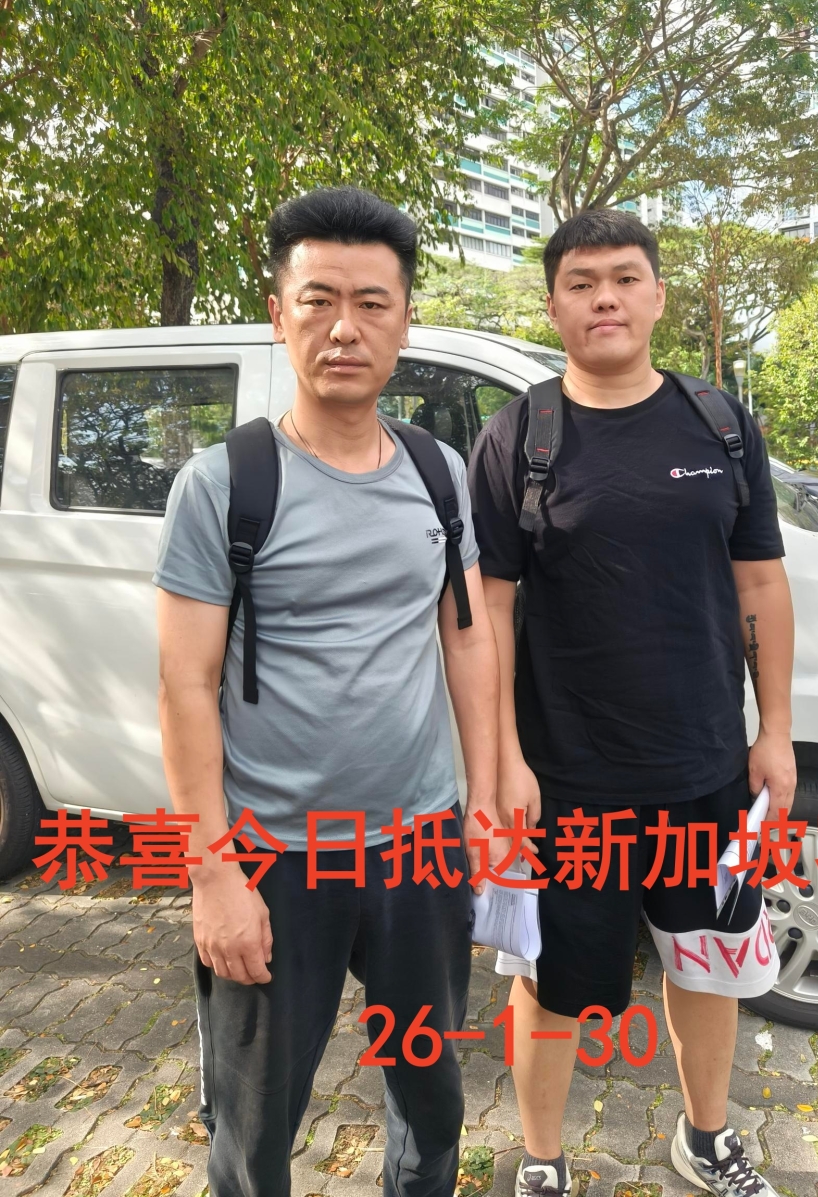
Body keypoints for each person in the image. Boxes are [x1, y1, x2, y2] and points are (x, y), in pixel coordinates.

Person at [154, 186, 502, 1197]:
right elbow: (185, 684)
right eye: (318, 300)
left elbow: (468, 640)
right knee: (256, 1122)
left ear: (405, 321)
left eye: (371, 303)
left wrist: (483, 799)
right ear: (280, 315)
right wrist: (213, 873)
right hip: (276, 857)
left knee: (431, 1099)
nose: (344, 327)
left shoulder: (438, 472)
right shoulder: (224, 483)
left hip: (419, 847)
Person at [468, 208, 795, 1197]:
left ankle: (706, 1137)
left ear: (656, 294)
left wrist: (776, 731)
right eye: (580, 282)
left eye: (622, 278)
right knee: (551, 983)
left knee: (708, 964)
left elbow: (760, 583)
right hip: (566, 779)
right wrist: (503, 760)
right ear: (553, 305)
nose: (603, 298)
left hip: (706, 766)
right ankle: (541, 1157)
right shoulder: (519, 436)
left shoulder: (719, 423)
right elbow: (487, 609)